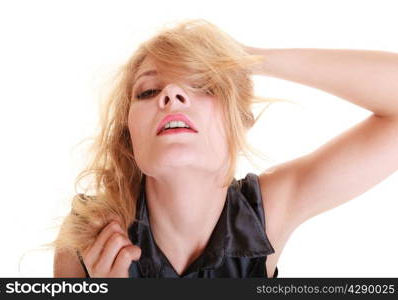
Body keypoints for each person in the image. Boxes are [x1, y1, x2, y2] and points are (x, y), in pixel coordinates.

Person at [52, 19, 398, 278]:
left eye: (203, 85)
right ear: (129, 137)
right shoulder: (92, 233)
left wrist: (248, 59)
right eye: (147, 92)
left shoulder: (268, 212)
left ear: (239, 122)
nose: (171, 95)